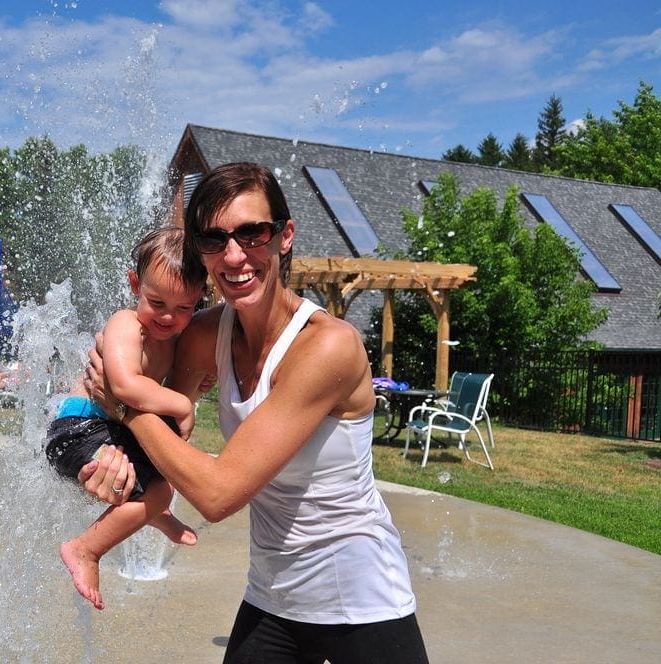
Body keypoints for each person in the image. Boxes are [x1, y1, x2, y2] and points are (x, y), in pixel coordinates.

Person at [80, 163, 429, 663]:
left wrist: (125, 408)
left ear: (284, 236)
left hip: (359, 598)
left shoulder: (328, 347)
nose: (235, 255)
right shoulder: (204, 334)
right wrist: (112, 459)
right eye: (215, 239)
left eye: (253, 233)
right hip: (272, 595)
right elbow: (159, 434)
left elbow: (218, 494)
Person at [44, 226, 207, 611]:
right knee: (153, 485)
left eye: (184, 307)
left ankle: (154, 513)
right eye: (157, 302)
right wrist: (182, 405)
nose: (169, 316)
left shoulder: (170, 337)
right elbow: (122, 385)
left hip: (109, 427)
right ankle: (85, 549)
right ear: (135, 284)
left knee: (163, 485)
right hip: (78, 429)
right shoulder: (127, 324)